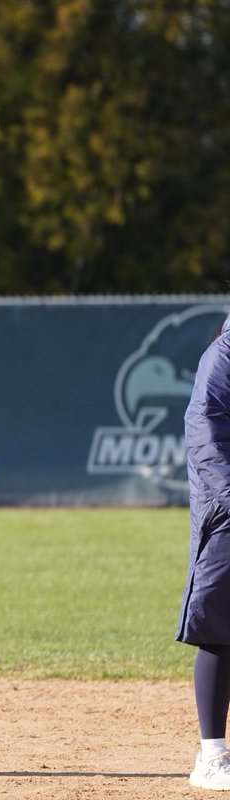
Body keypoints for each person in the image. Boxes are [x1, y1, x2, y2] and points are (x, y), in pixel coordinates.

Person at [180, 314, 230, 791]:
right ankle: (212, 755)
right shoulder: (223, 356)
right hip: (227, 511)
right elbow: (204, 431)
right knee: (220, 627)